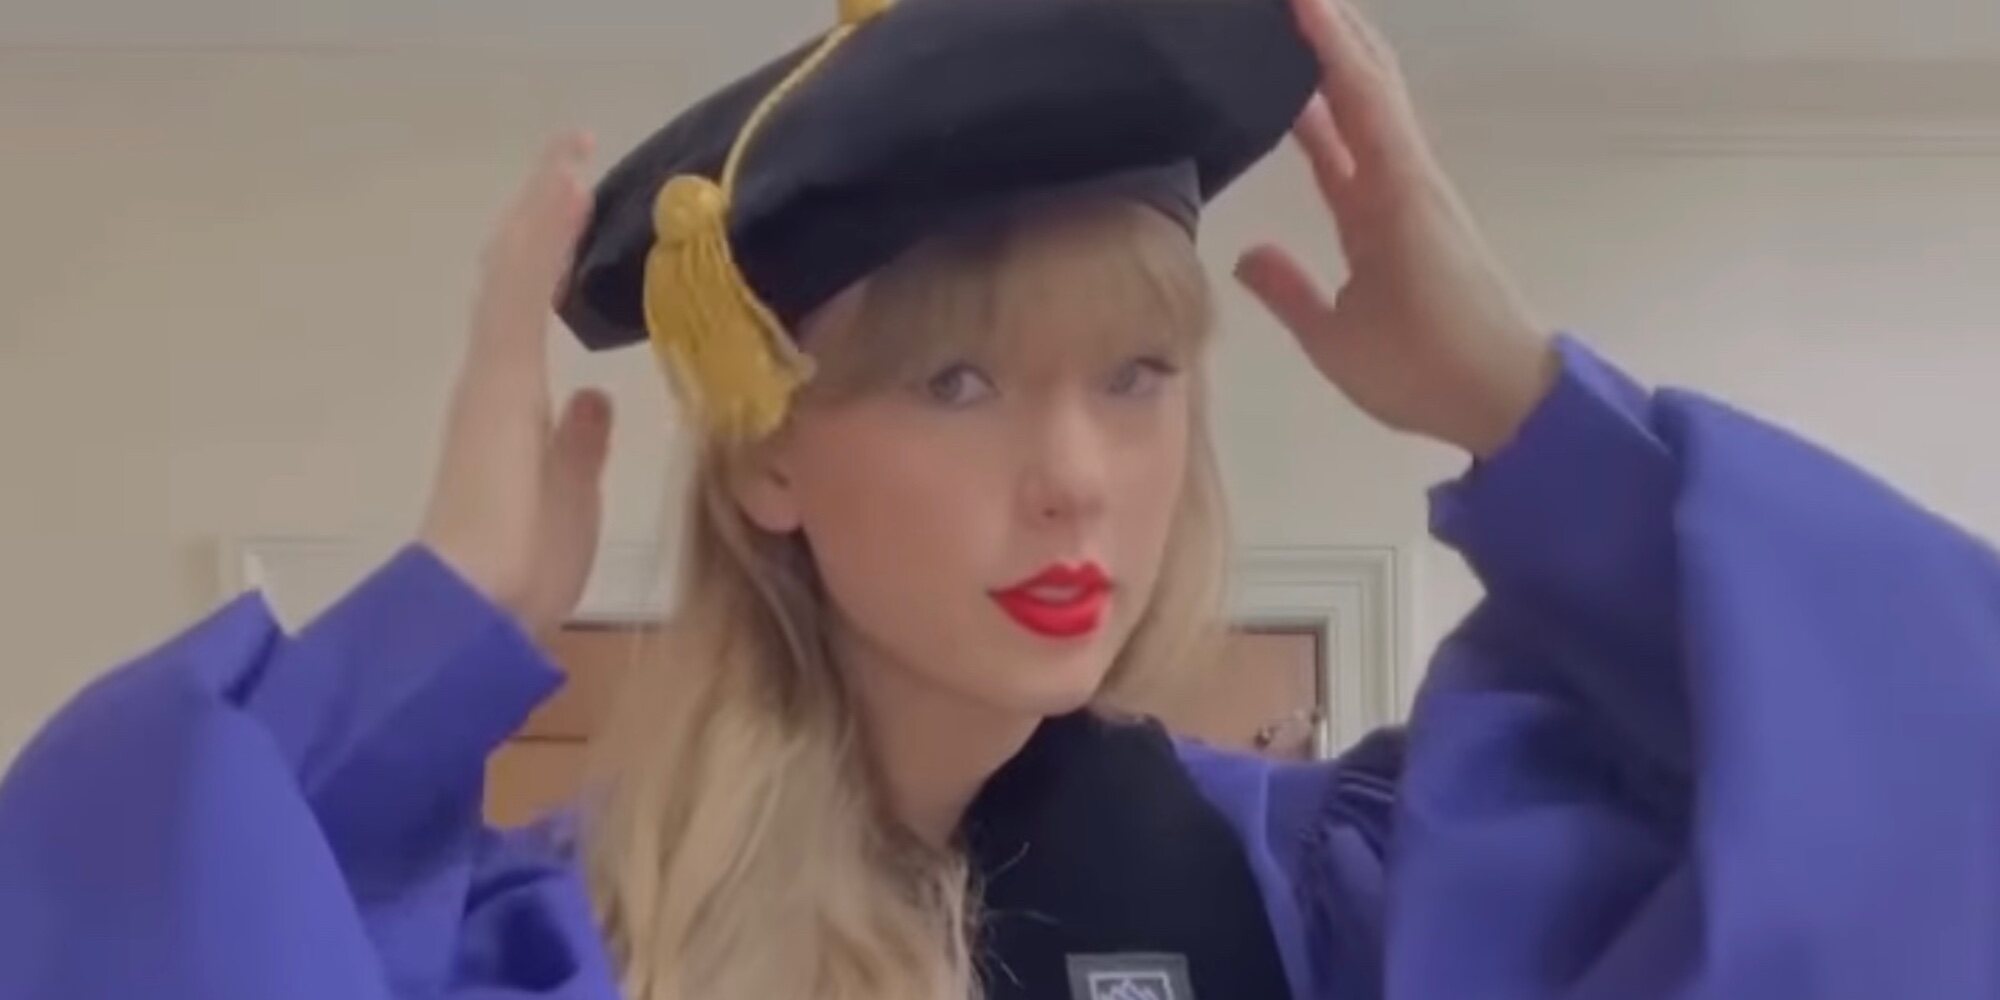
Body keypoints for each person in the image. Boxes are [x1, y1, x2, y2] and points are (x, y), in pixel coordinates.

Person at [3, 0, 1998, 996]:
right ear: (770, 453)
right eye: (959, 382)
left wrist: (1524, 414)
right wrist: (440, 618)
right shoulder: (556, 945)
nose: (1076, 478)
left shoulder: (1339, 903)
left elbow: (1931, 793)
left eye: (1136, 376)